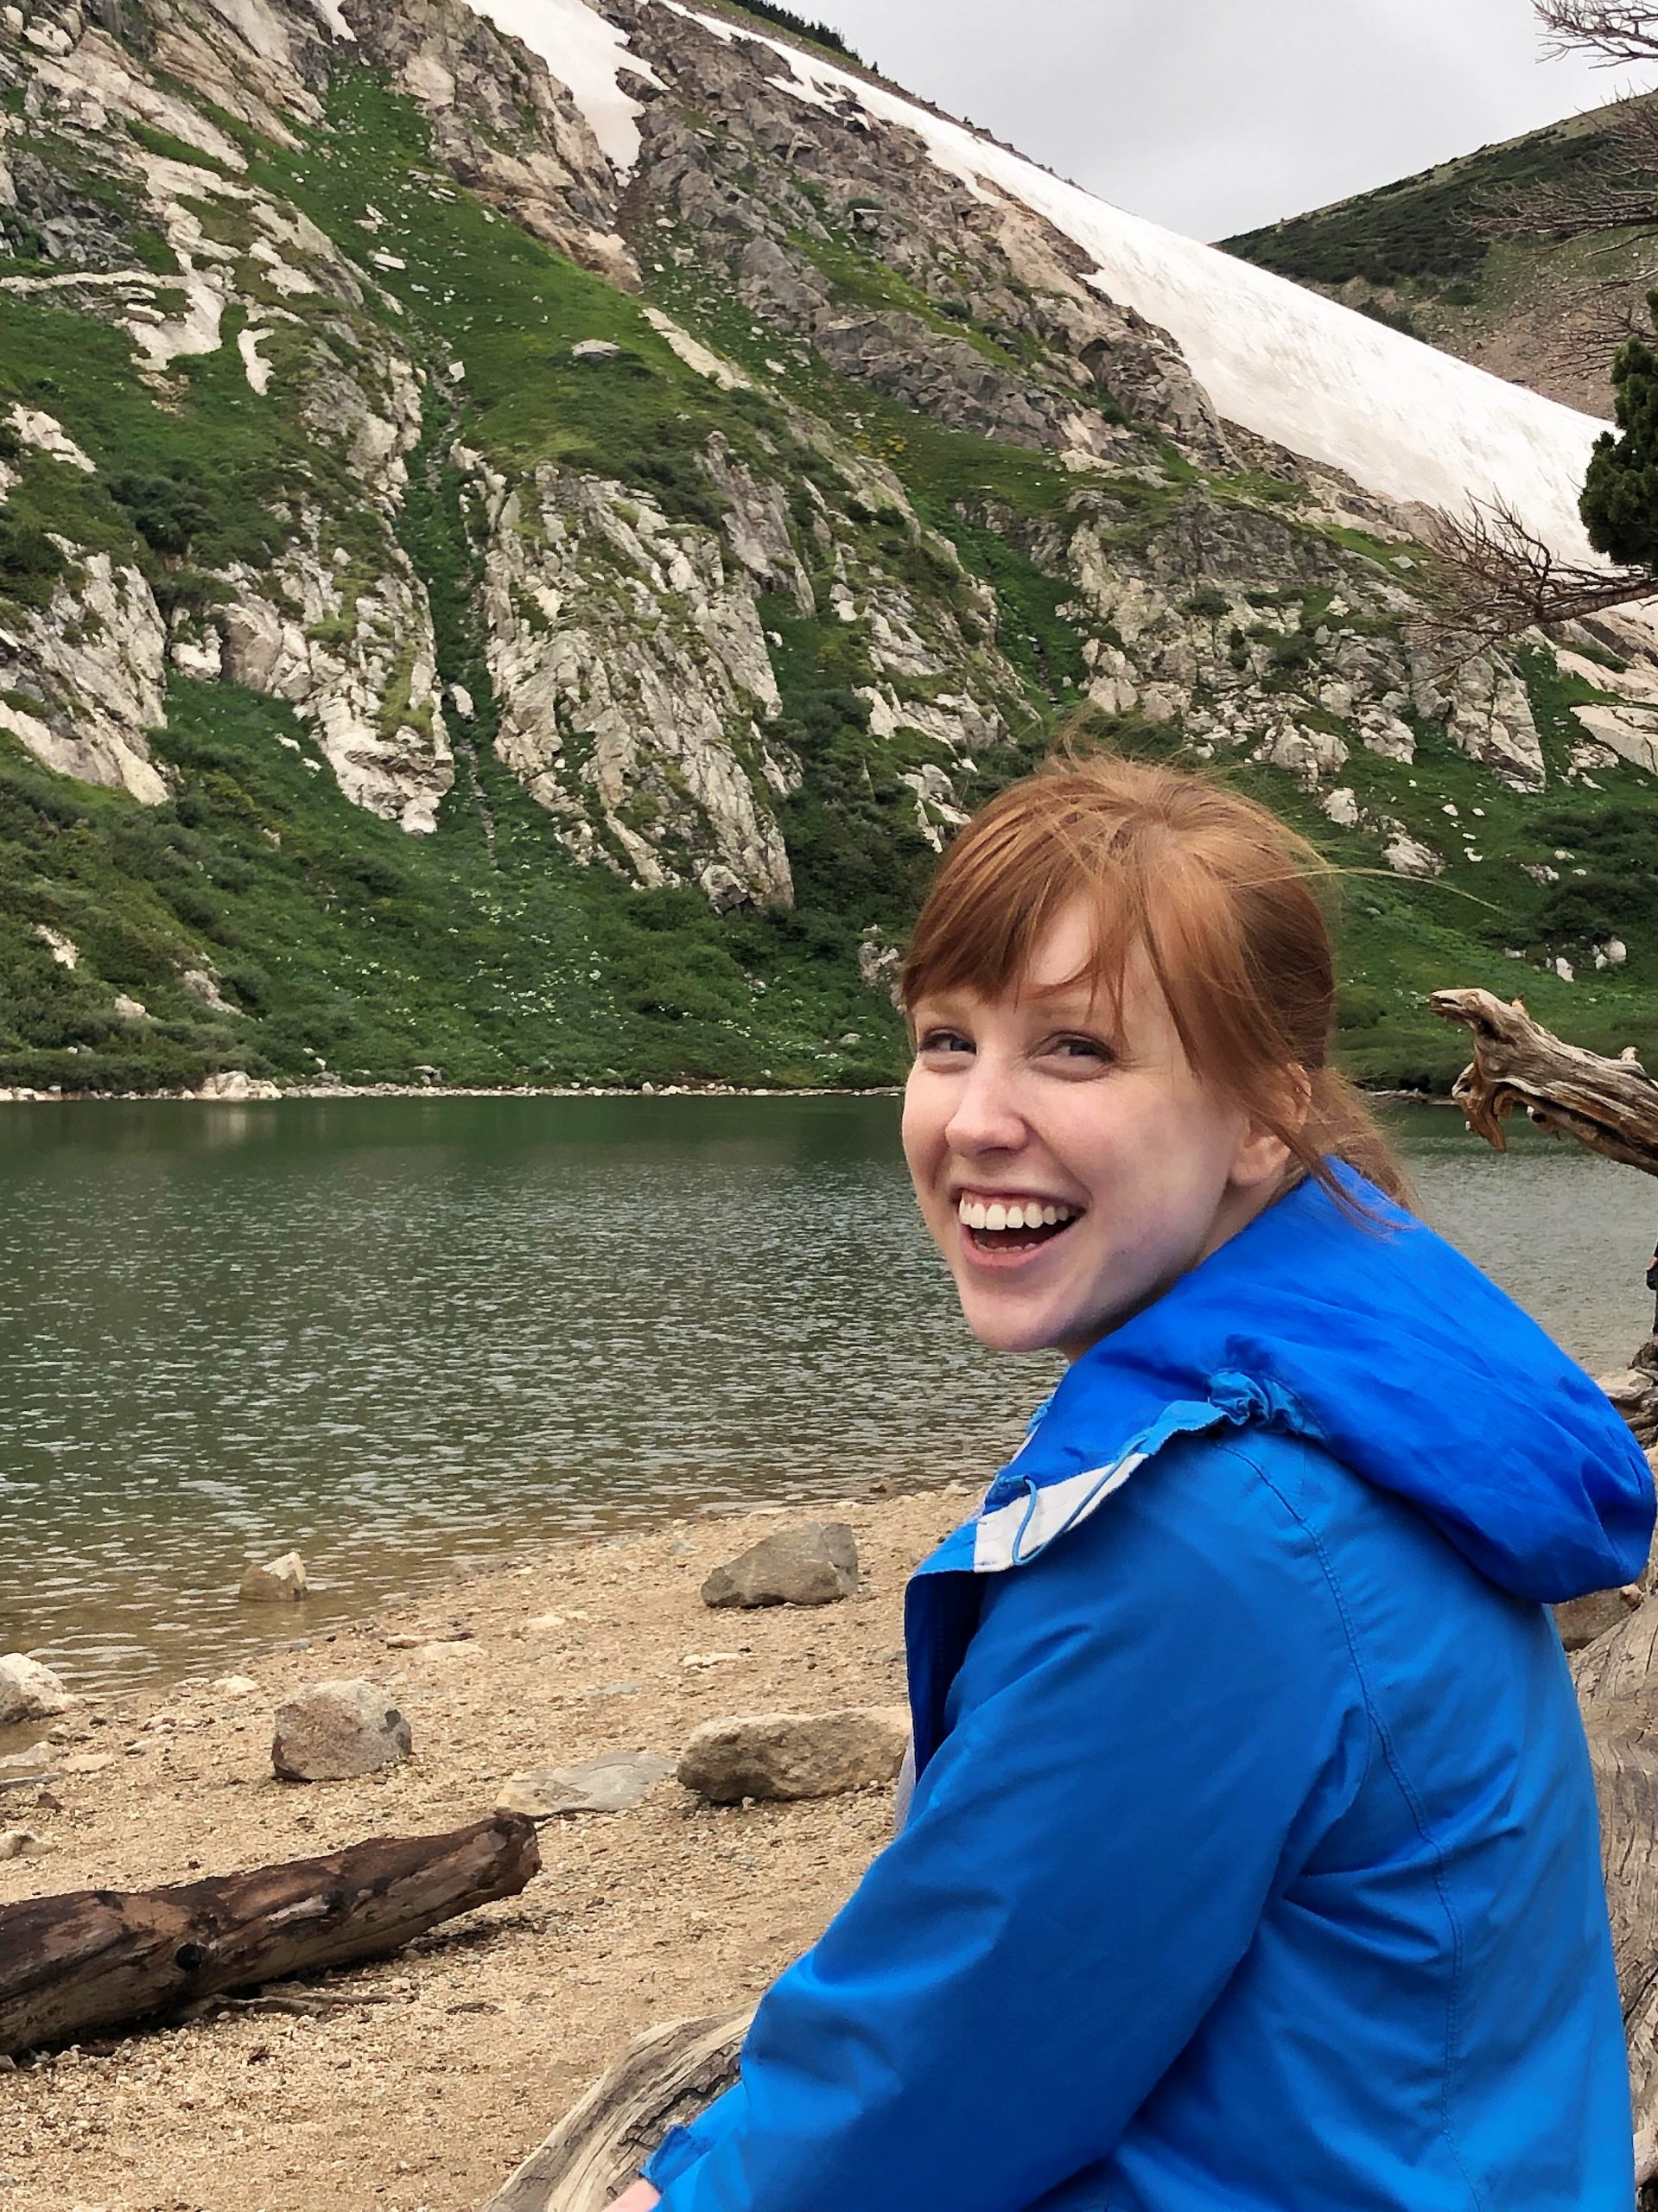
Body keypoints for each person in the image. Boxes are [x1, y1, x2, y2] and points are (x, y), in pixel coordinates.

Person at [612, 755, 1654, 2212]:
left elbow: (953, 2060)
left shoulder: (1217, 1539)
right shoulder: (1351, 1387)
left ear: (1262, 1120)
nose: (975, 1119)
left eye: (1077, 1052)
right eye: (946, 1039)